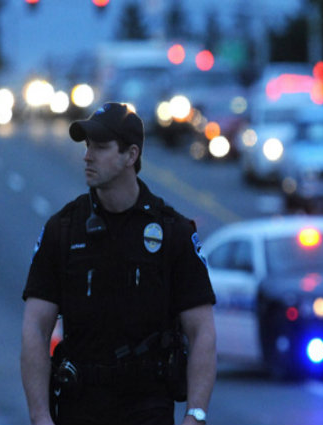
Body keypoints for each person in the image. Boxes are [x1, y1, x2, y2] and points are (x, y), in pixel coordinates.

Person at [20, 102, 216, 425]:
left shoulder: (172, 232)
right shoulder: (64, 229)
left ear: (131, 155)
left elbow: (202, 331)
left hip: (148, 406)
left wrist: (195, 415)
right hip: (80, 405)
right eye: (87, 146)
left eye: (100, 147)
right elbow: (35, 328)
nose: (87, 156)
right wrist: (40, 417)